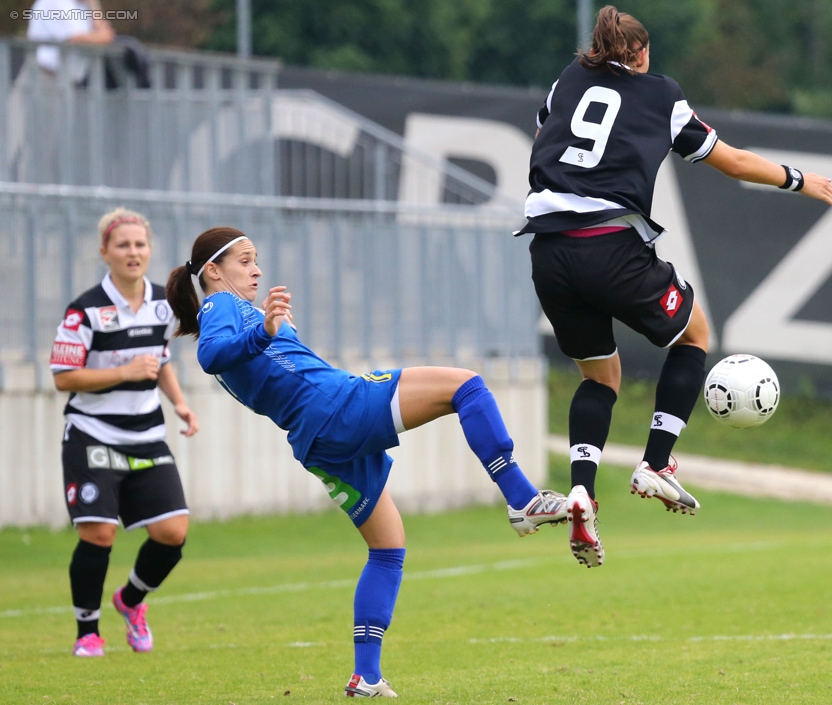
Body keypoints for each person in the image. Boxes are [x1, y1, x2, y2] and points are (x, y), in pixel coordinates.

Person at [165, 227, 568, 698]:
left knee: (387, 548)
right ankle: (522, 499)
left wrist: (267, 329)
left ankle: (366, 676)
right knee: (467, 386)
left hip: (315, 441)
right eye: (245, 260)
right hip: (337, 408)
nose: (256, 270)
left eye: (257, 260)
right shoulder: (220, 306)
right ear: (213, 271)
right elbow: (211, 355)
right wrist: (266, 329)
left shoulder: (240, 312)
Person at [518, 5, 832, 568]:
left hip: (548, 250)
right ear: (640, 54)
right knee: (694, 334)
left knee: (600, 376)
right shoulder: (661, 95)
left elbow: (553, 128)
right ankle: (656, 463)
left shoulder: (567, 80)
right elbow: (734, 162)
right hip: (608, 244)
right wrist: (799, 180)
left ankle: (579, 492)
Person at [50, 207, 199, 657]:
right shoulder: (83, 311)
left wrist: (180, 403)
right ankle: (87, 632)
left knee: (173, 533)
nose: (133, 252)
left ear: (149, 250)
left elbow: (161, 360)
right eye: (123, 245)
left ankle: (130, 602)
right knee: (99, 535)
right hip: (92, 434)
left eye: (140, 244)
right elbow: (63, 377)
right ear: (105, 252)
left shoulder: (163, 302)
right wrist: (126, 371)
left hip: (146, 435)